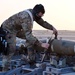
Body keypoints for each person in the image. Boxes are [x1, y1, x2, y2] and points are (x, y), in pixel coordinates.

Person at [1, 4, 58, 71]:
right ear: (37, 13)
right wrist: (41, 44)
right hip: (8, 29)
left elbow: (42, 23)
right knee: (10, 49)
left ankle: (31, 61)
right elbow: (28, 36)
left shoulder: (33, 13)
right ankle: (4, 70)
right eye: (41, 15)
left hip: (17, 29)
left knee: (32, 40)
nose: (41, 16)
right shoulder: (27, 18)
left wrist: (52, 28)